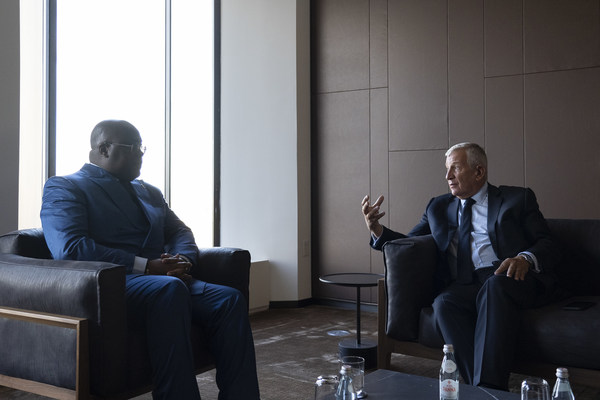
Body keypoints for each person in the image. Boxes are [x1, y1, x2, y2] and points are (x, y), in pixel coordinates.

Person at [41, 120, 260, 400]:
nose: (141, 154)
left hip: (164, 281)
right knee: (169, 291)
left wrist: (182, 260)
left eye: (142, 147)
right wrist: (146, 266)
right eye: (132, 147)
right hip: (112, 285)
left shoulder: (149, 191)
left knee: (228, 300)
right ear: (104, 149)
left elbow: (179, 230)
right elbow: (70, 248)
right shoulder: (66, 187)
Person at [362, 142, 560, 391]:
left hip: (509, 276)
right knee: (444, 302)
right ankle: (486, 390)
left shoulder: (517, 199)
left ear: (479, 172)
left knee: (494, 286)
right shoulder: (438, 206)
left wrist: (524, 258)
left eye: (455, 168)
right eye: (447, 170)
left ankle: (486, 388)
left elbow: (547, 242)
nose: (448, 176)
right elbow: (409, 244)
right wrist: (377, 230)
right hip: (466, 284)